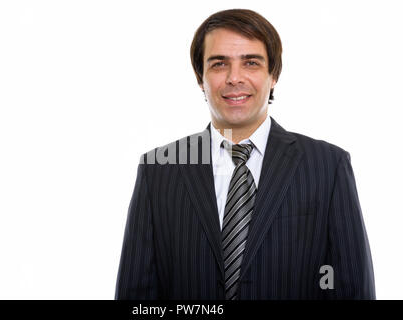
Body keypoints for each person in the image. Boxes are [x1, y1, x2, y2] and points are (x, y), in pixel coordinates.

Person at [115, 8, 375, 300]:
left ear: (273, 74)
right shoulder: (159, 169)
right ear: (201, 77)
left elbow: (351, 288)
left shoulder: (328, 166)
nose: (234, 78)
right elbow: (136, 295)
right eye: (218, 64)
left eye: (250, 63)